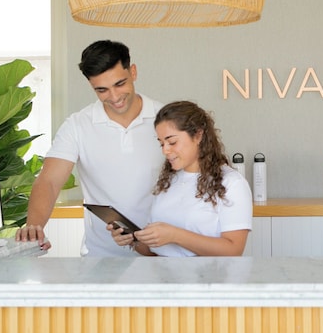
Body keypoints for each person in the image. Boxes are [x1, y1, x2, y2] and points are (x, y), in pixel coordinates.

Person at [16, 40, 164, 256]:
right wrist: (33, 226)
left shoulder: (166, 119)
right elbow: (49, 181)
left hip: (163, 255)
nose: (114, 97)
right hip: (101, 257)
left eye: (120, 84)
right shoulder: (77, 125)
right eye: (102, 90)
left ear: (133, 72)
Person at [109, 101, 252, 256]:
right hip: (162, 271)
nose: (165, 150)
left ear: (198, 135)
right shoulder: (167, 181)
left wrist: (175, 235)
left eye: (172, 142)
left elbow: (233, 250)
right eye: (161, 144)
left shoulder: (232, 183)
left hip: (207, 272)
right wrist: (132, 239)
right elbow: (153, 251)